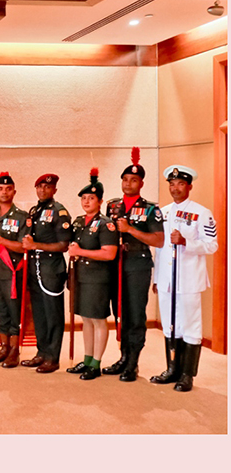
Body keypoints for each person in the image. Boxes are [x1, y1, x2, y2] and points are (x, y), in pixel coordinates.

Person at [150, 165, 217, 392]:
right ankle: (172, 370)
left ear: (189, 186)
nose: (175, 188)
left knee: (190, 326)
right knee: (170, 325)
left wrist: (187, 243)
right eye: (171, 184)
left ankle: (187, 374)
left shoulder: (202, 212)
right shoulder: (163, 212)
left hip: (189, 279)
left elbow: (212, 245)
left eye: (180, 184)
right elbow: (159, 249)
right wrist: (157, 277)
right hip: (167, 279)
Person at [103, 147, 165, 382]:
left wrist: (130, 230)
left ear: (141, 183)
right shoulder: (112, 205)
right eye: (126, 179)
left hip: (137, 264)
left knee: (136, 313)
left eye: (134, 180)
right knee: (120, 311)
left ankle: (133, 363)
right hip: (116, 263)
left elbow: (158, 240)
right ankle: (122, 357)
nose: (129, 184)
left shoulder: (150, 209)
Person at [65, 169, 119, 380]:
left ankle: (96, 363)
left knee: (98, 320)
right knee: (85, 320)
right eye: (84, 198)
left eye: (91, 198)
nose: (87, 202)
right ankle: (87, 359)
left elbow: (109, 253)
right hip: (80, 277)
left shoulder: (106, 224)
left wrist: (80, 251)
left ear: (100, 201)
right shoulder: (79, 222)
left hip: (98, 279)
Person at [20, 173, 72, 374]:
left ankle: (53, 356)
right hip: (35, 267)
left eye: (47, 187)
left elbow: (63, 245)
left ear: (54, 190)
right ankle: (41, 351)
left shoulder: (59, 211)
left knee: (53, 314)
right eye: (39, 186)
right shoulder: (35, 211)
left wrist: (36, 245)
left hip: (51, 268)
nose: (42, 190)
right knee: (39, 314)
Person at [0, 172, 30, 368]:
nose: (4, 192)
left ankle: (14, 349)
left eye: (8, 189)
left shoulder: (22, 217)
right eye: (0, 189)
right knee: (0, 310)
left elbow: (23, 247)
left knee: (14, 311)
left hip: (13, 272)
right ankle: (3, 346)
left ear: (14, 191)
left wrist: (1, 241)